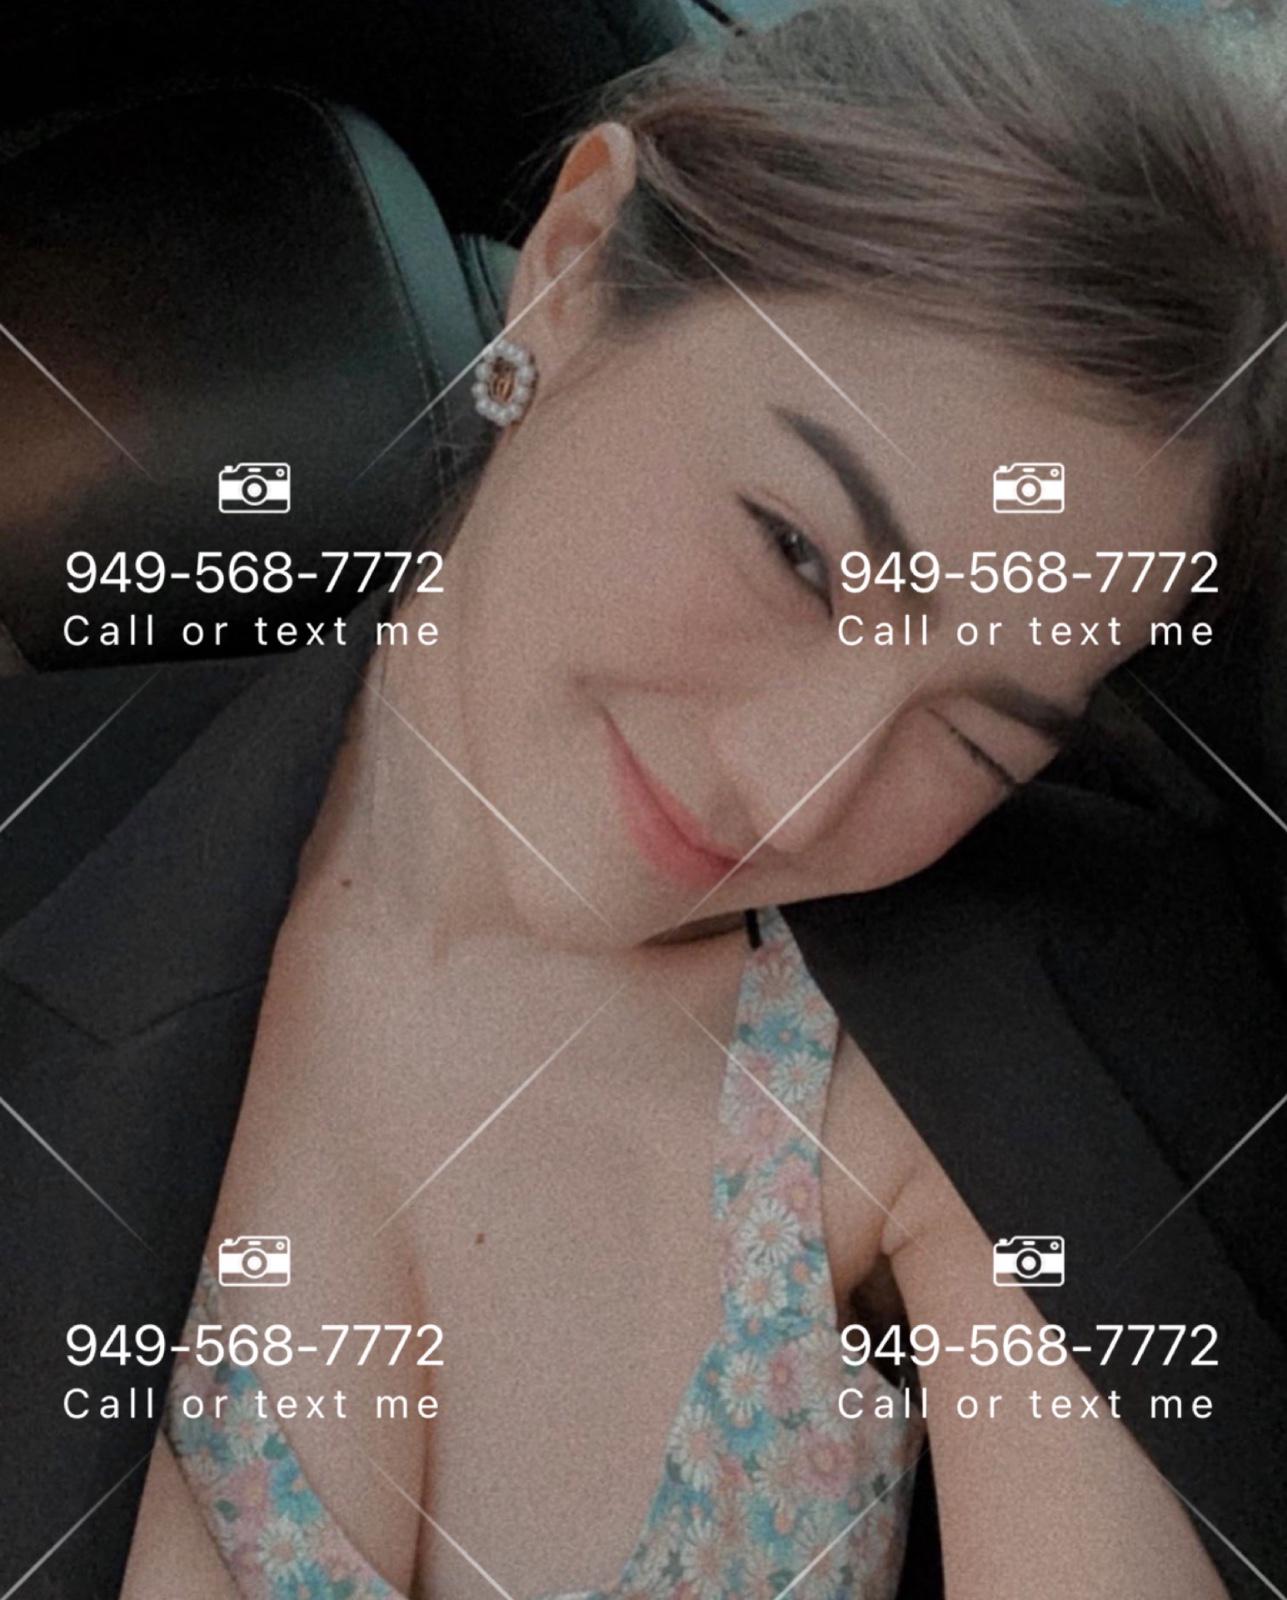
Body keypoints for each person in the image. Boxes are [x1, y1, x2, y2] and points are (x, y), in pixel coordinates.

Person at [3, 0, 1283, 1596]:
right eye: (801, 553)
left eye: (980, 733)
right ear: (576, 263)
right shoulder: (46, 852)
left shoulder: (976, 1073)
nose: (802, 794)